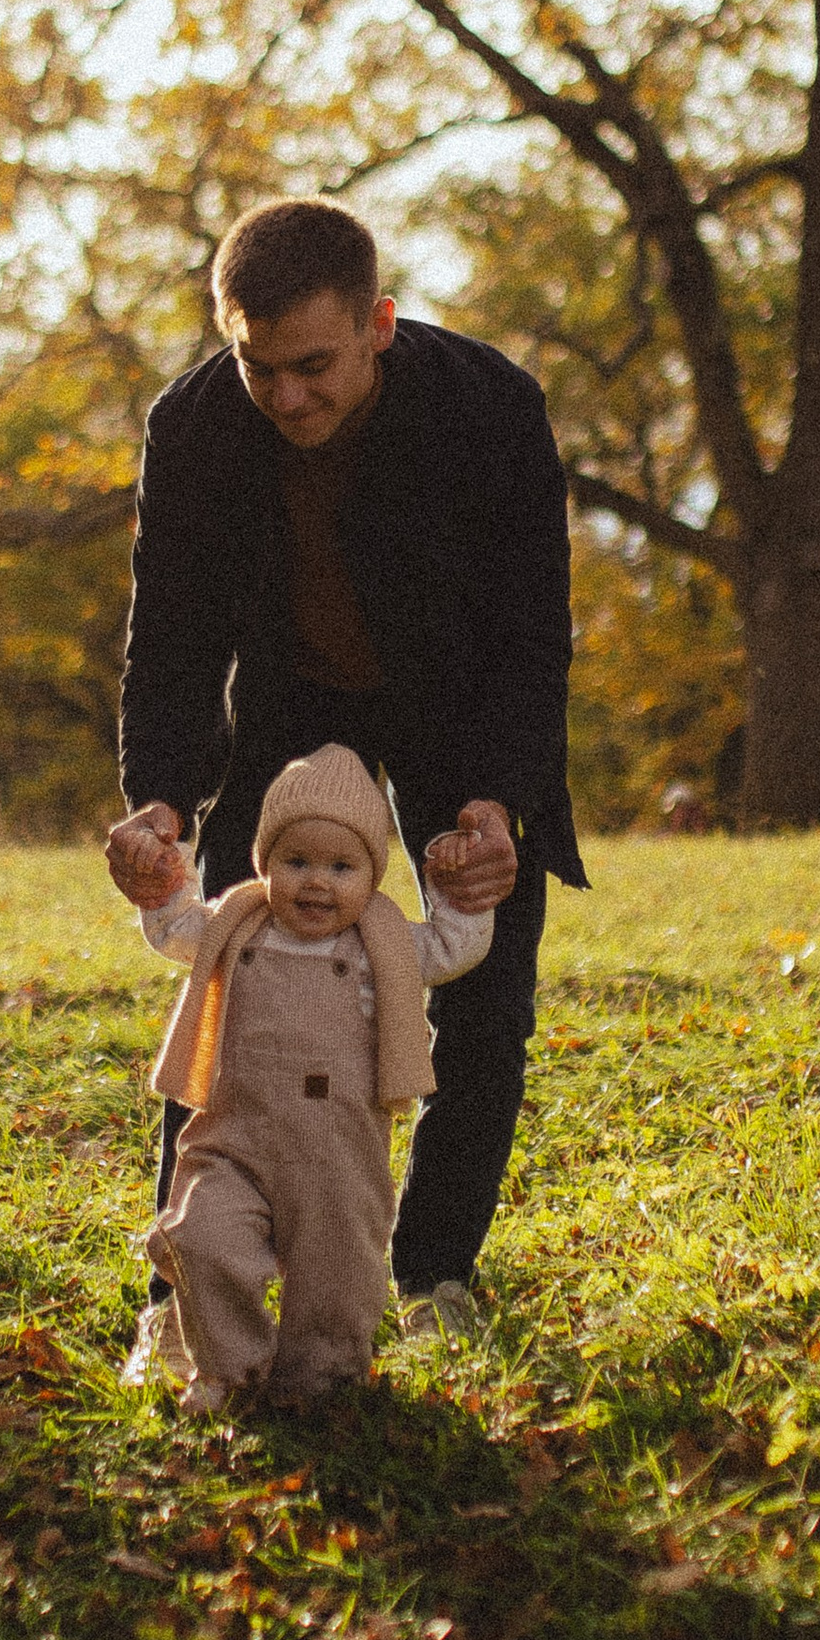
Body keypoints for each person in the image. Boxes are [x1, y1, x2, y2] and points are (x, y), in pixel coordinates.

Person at [110, 197, 580, 1361]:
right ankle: (182, 1291)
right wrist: (160, 801)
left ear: (378, 323)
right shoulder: (193, 428)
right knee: (230, 974)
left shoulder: (489, 406)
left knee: (485, 987)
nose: (285, 397)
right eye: (256, 366)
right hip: (290, 702)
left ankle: (432, 1273)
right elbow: (171, 641)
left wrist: (495, 804)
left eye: (313, 366)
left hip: (456, 701)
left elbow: (531, 634)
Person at [118, 744, 493, 1409]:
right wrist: (166, 876)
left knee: (336, 1273)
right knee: (202, 1238)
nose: (317, 882)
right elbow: (175, 928)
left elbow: (453, 946)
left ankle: (320, 1384)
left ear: (372, 876)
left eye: (342, 866)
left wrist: (454, 888)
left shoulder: (384, 943)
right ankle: (230, 1369)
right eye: (296, 862)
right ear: (265, 864)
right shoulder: (236, 924)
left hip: (336, 1153)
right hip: (232, 1139)